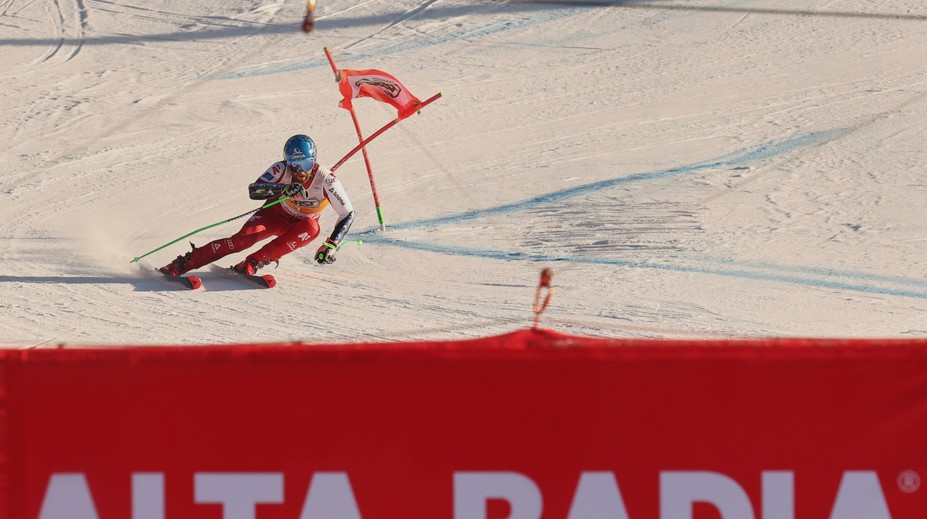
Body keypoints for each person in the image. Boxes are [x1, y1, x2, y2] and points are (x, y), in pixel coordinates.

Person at [158, 134, 354, 277]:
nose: (300, 171)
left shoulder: (327, 181)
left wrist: (331, 244)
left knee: (312, 228)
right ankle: (182, 264)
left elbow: (347, 213)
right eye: (294, 165)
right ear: (287, 162)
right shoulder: (280, 169)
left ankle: (252, 263)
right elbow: (255, 190)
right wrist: (282, 190)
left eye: (306, 164)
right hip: (275, 214)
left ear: (314, 160)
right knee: (241, 241)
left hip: (300, 225)